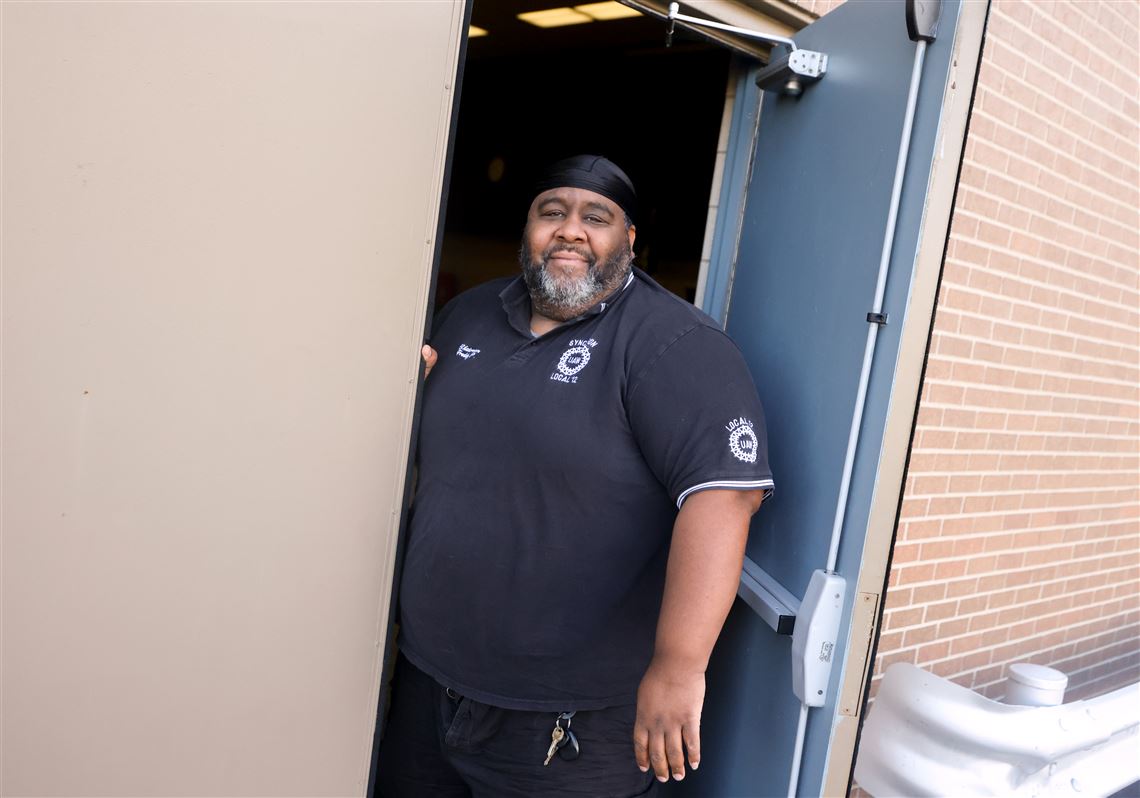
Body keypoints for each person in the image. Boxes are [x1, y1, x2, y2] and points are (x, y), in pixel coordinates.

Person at [377, 155, 773, 797]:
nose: (570, 230)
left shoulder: (673, 344)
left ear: (630, 240)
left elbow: (724, 497)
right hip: (427, 685)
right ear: (528, 228)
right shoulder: (468, 316)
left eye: (597, 217)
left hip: (569, 727)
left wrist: (678, 668)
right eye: (551, 212)